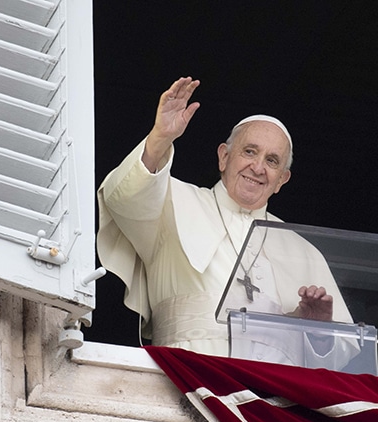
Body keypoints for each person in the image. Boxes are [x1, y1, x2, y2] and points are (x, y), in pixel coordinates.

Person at [96, 77, 356, 368]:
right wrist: (160, 138)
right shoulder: (172, 200)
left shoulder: (304, 251)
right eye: (249, 151)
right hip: (186, 375)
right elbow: (124, 198)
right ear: (224, 156)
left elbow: (343, 357)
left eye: (272, 161)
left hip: (270, 395)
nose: (257, 168)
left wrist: (319, 332)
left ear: (282, 180)